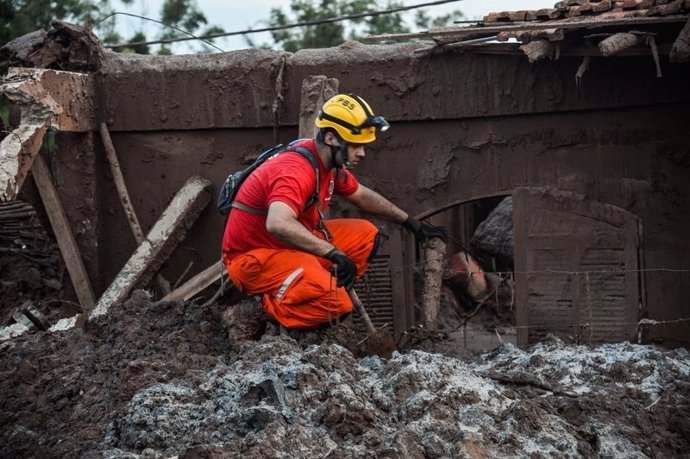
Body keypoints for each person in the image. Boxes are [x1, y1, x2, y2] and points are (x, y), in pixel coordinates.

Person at [222, 93, 447, 330]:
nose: (362, 153)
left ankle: (314, 291)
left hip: (289, 246)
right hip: (255, 257)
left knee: (366, 236)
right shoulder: (295, 171)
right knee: (337, 303)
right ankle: (263, 311)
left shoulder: (328, 162)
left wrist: (411, 223)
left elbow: (361, 195)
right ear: (331, 137)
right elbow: (278, 223)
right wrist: (333, 253)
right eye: (356, 145)